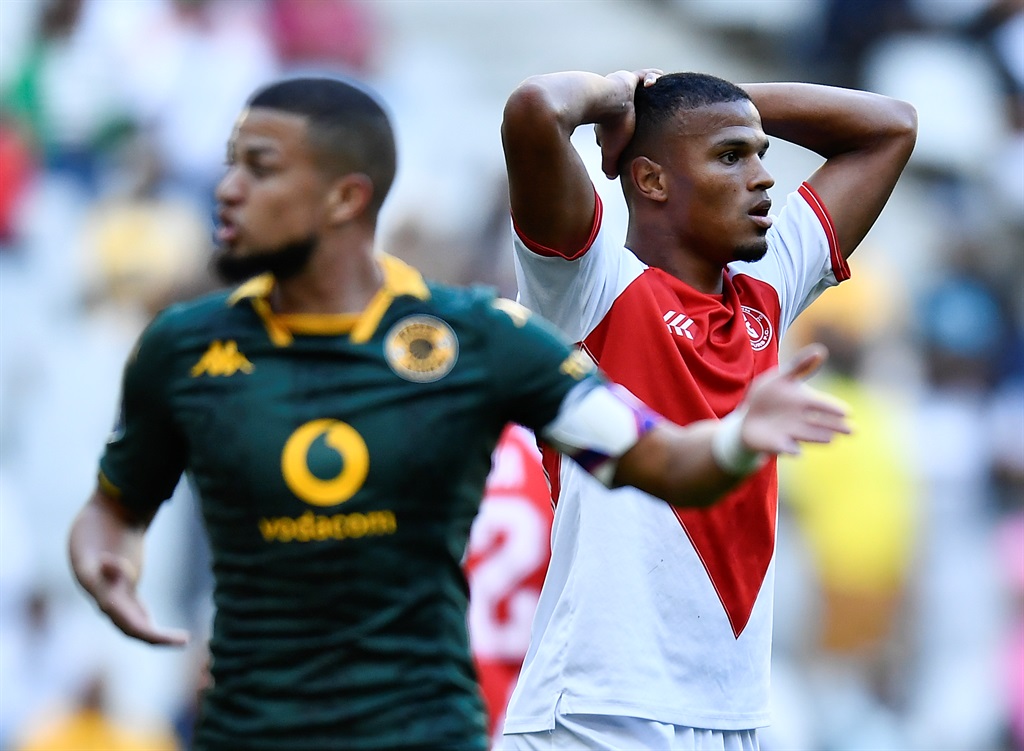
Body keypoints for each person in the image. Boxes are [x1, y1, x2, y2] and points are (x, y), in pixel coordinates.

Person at [67, 76, 852, 751]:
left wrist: (736, 443)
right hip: (252, 728)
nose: (226, 187)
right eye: (232, 163)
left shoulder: (478, 341)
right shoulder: (180, 349)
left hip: (427, 725)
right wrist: (106, 547)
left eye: (259, 168)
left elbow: (653, 460)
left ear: (345, 197)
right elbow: (117, 505)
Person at [498, 69, 917, 750]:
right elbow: (534, 108)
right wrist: (625, 97)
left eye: (761, 154)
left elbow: (891, 125)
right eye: (730, 155)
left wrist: (701, 100)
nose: (762, 178)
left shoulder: (765, 284)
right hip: (598, 711)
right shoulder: (590, 287)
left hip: (732, 713)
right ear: (651, 180)